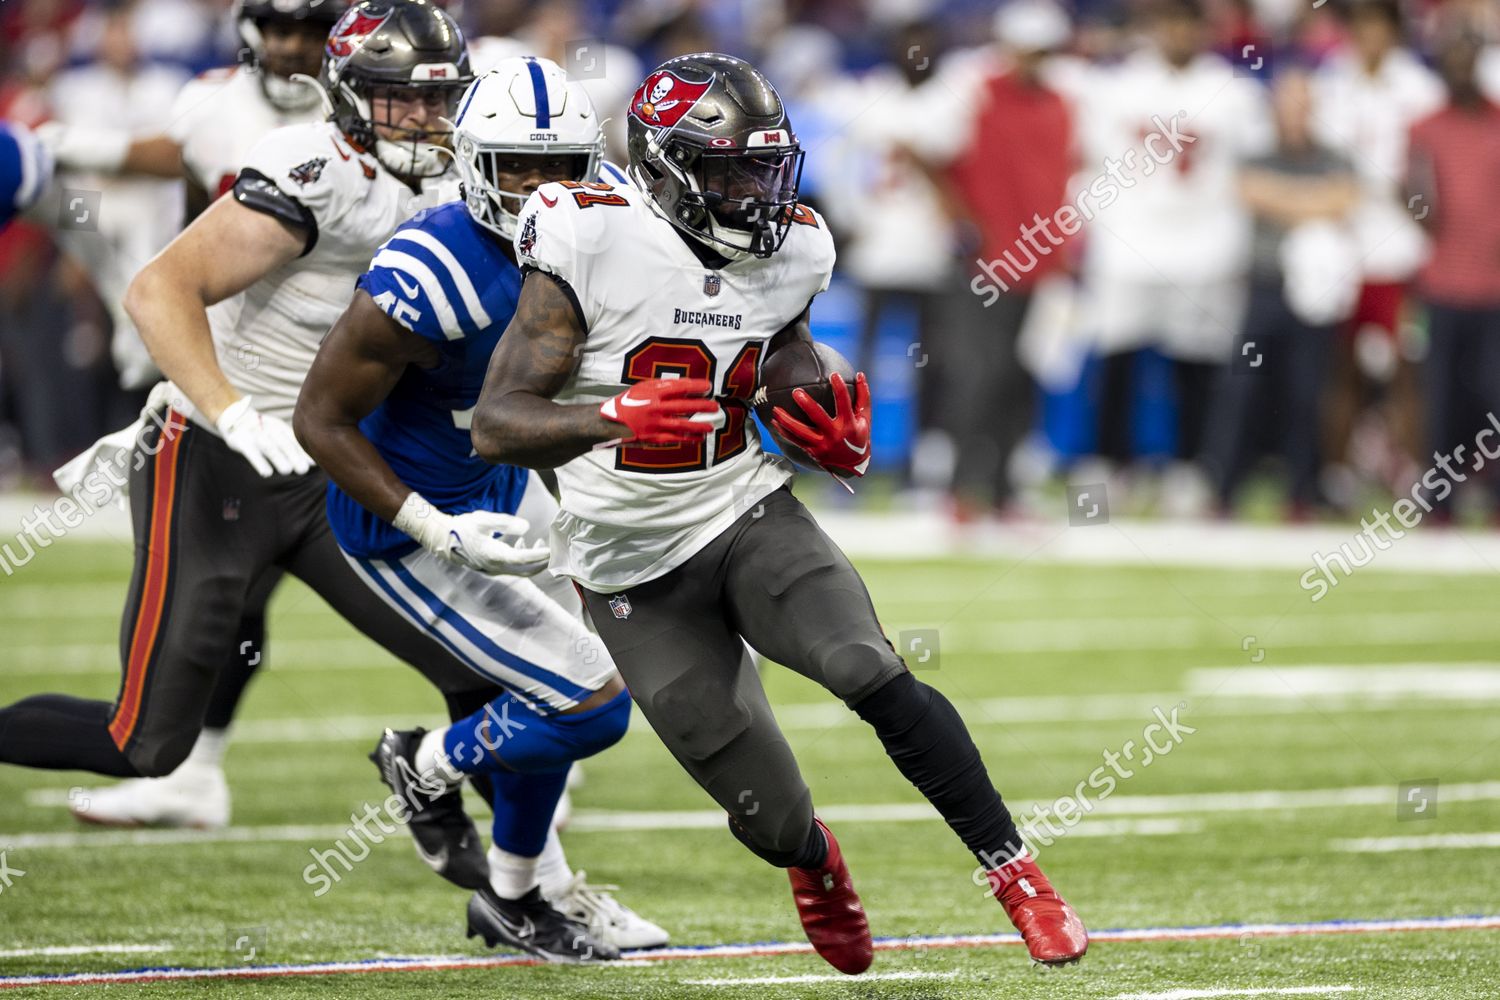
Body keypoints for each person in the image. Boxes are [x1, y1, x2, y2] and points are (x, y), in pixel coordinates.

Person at [0, 1, 655, 956]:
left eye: (439, 100)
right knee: (145, 742)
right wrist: (229, 408)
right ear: (351, 104)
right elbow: (158, 288)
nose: (426, 122)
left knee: (504, 674)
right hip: (220, 455)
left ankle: (531, 894)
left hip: (340, 462)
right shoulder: (319, 173)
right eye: (399, 103)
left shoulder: (477, 182)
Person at [468, 52, 1088, 974]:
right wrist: (607, 415)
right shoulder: (584, 238)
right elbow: (495, 424)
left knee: (865, 665)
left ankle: (1017, 874)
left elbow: (783, 360)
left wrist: (825, 431)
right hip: (626, 565)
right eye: (728, 170)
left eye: (766, 166)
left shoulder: (795, 245)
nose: (756, 191)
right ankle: (816, 861)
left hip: (743, 511)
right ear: (667, 168)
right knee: (768, 814)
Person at [294, 56, 664, 955]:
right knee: (590, 702)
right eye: (517, 169)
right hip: (410, 522)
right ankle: (423, 766)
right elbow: (318, 419)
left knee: (555, 680)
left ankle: (517, 898)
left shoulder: (611, 217)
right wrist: (430, 523)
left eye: (561, 167)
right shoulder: (432, 266)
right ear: (470, 164)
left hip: (509, 488)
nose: (542, 191)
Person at [41, 0, 348, 833]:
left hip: (353, 393)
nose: (292, 49)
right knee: (232, 598)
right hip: (242, 394)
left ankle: (532, 750)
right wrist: (64, 152)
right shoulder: (216, 108)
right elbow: (181, 196)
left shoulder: (372, 124)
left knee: (431, 580)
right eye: (280, 29)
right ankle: (190, 769)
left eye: (311, 31)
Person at [1078, 0, 1272, 510]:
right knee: (1118, 360)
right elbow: (1090, 162)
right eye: (1170, 22)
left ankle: (1189, 468)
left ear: (1203, 30)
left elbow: (1253, 172)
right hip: (1130, 241)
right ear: (1156, 27)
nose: (1179, 32)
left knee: (1197, 366)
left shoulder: (1235, 92)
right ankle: (1109, 466)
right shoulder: (1118, 87)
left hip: (1207, 244)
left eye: (1188, 23)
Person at [1198, 68, 1359, 515]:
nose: (1294, 114)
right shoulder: (1258, 155)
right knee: (1242, 389)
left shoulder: (1334, 156)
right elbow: (1253, 192)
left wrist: (1285, 199)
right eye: (1287, 104)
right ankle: (1223, 488)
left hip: (1316, 296)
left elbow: (1344, 198)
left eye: (1302, 104)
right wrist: (1313, 202)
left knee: (1308, 392)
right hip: (1265, 289)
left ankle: (1302, 493)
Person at [1407, 32, 1500, 517]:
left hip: (1495, 285)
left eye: (1468, 62)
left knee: (1495, 393)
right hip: (1443, 281)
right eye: (1453, 63)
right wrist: (1416, 200)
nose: (1461, 72)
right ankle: (1439, 495)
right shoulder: (1425, 129)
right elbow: (1415, 199)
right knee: (1440, 395)